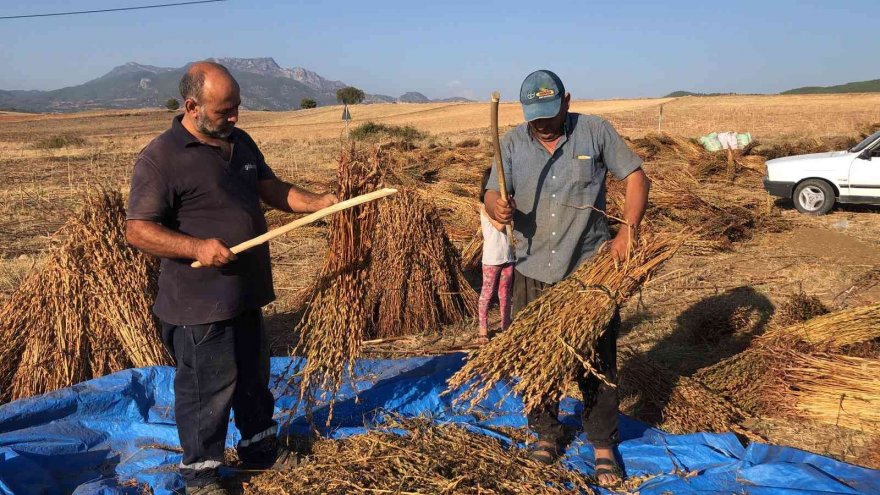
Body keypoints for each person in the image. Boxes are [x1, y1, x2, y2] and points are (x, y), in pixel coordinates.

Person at [125, 61, 337, 495]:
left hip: (245, 293)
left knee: (254, 378)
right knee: (207, 390)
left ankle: (260, 449)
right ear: (192, 106)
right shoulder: (161, 158)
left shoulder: (239, 142)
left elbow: (270, 188)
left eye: (237, 107)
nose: (235, 118)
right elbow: (138, 229)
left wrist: (318, 202)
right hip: (199, 304)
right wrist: (196, 247)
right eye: (225, 111)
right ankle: (201, 474)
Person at [484, 70, 650, 486]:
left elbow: (635, 177)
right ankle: (546, 431)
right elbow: (488, 191)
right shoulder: (511, 143)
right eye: (534, 114)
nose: (541, 122)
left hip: (587, 271)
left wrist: (627, 229)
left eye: (549, 112)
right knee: (536, 359)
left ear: (567, 101)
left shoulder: (594, 132)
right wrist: (495, 207)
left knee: (596, 362)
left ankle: (602, 444)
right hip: (531, 268)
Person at [477, 167, 515, 344]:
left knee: (505, 294)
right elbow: (500, 225)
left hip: (507, 255)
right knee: (487, 293)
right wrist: (511, 208)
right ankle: (483, 330)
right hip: (492, 258)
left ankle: (505, 326)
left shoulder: (508, 203)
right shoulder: (484, 207)